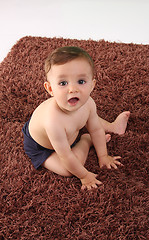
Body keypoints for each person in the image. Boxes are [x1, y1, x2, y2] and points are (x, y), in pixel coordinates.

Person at [22, 46, 130, 190]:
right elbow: (66, 156)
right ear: (50, 89)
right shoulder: (52, 121)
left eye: (81, 81)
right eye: (63, 83)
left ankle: (112, 126)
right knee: (68, 169)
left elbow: (96, 128)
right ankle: (85, 140)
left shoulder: (89, 103)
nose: (73, 89)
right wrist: (84, 175)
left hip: (67, 133)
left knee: (90, 117)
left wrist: (103, 156)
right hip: (41, 146)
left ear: (92, 85)